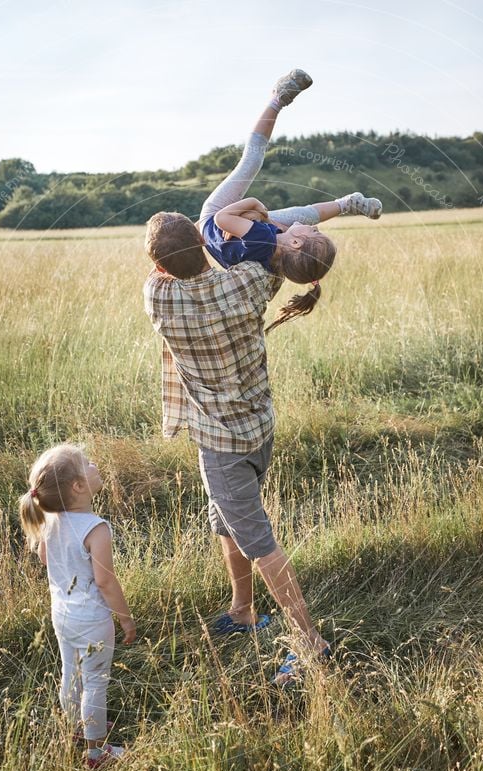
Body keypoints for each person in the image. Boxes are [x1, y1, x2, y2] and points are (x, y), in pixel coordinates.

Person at [143, 72, 357, 685]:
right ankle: (243, 610)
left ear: (159, 266)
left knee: (257, 538)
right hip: (259, 427)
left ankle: (308, 641)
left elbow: (171, 269)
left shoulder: (160, 300)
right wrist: (272, 221)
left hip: (221, 441)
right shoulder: (252, 282)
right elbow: (275, 256)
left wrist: (210, 231)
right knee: (226, 517)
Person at [199, 69, 382, 332]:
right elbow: (284, 232)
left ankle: (278, 98)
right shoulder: (281, 263)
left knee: (251, 162)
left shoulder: (262, 237)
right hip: (242, 237)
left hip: (215, 216)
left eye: (315, 234)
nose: (316, 229)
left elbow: (221, 219)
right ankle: (348, 204)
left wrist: (254, 205)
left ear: (296, 242)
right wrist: (261, 219)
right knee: (303, 214)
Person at [19, 443, 136, 768]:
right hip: (93, 620)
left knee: (71, 675)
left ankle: (77, 729)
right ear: (78, 486)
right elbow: (105, 582)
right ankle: (96, 752)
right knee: (96, 682)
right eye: (87, 463)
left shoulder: (50, 520)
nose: (95, 464)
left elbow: (45, 558)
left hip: (62, 615)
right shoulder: (95, 528)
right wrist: (125, 619)